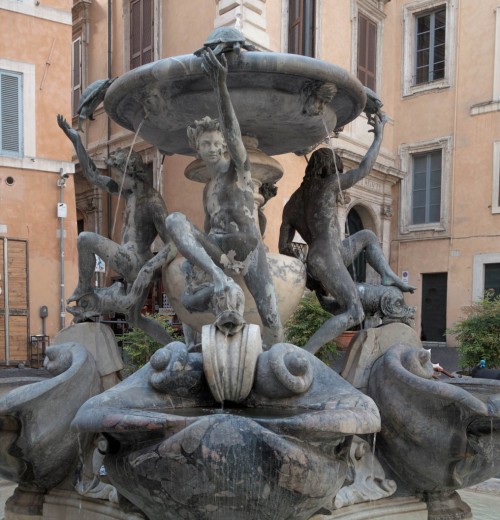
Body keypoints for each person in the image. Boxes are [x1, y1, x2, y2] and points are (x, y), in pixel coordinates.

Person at [165, 48, 283, 346]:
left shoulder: (239, 170)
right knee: (175, 221)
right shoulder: (208, 188)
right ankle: (219, 282)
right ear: (198, 149)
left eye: (217, 142)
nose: (214, 148)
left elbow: (233, 131)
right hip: (217, 252)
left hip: (247, 247)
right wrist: (207, 271)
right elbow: (204, 229)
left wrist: (220, 86)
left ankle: (280, 360)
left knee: (271, 317)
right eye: (207, 143)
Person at [279, 112, 414, 355]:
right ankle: (307, 353)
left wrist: (307, 272)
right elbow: (364, 168)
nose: (337, 175)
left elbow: (283, 246)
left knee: (368, 237)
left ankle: (387, 275)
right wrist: (379, 136)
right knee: (355, 311)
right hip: (330, 257)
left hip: (327, 254)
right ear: (329, 169)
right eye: (336, 169)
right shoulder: (328, 185)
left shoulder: (292, 205)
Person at [57, 115, 177, 344]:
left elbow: (172, 244)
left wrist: (149, 269)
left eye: (119, 176)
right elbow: (92, 175)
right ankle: (174, 348)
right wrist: (76, 142)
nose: (117, 181)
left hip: (135, 263)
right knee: (135, 319)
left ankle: (84, 288)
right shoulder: (129, 192)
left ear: (131, 172)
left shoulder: (152, 202)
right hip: (128, 263)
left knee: (85, 238)